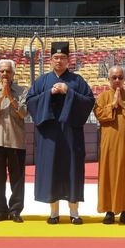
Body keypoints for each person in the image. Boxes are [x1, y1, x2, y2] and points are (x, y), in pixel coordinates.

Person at [26, 41, 95, 225]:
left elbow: (89, 101)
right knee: (51, 169)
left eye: (63, 57)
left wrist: (68, 92)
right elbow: (30, 101)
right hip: (49, 134)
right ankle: (54, 212)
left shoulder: (77, 81)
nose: (59, 61)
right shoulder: (42, 81)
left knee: (72, 168)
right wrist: (49, 93)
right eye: (56, 57)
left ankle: (74, 212)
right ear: (50, 59)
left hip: (71, 133)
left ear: (68, 60)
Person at [94, 65, 125, 225]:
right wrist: (112, 105)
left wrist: (122, 104)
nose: (117, 81)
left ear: (124, 79)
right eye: (114, 78)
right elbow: (99, 115)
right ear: (109, 79)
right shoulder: (102, 97)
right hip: (109, 143)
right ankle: (109, 210)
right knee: (108, 173)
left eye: (120, 78)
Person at [0, 60, 28, 223]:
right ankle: (0, 210)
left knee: (17, 178)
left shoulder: (23, 91)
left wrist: (10, 96)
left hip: (16, 141)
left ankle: (15, 210)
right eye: (2, 71)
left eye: (8, 71)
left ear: (13, 74)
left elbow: (24, 113)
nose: (5, 74)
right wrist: (2, 95)